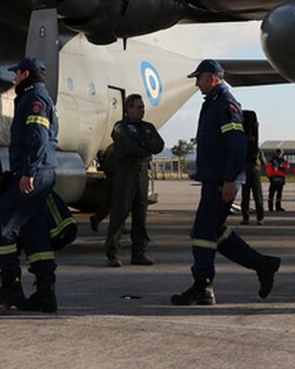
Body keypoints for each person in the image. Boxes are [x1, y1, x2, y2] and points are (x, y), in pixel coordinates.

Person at [171, 60, 281, 306]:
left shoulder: (225, 104)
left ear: (211, 77)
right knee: (214, 232)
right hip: (216, 178)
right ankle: (263, 265)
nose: (196, 83)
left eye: (198, 78)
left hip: (222, 179)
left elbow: (237, 144)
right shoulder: (214, 103)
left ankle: (203, 286)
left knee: (202, 232)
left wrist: (230, 179)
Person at [0, 57, 60, 314]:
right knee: (34, 232)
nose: (14, 78)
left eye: (17, 74)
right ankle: (45, 294)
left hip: (33, 174)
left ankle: (10, 287)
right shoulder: (36, 97)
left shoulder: (33, 99)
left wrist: (28, 171)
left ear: (26, 74)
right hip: (41, 172)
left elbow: (37, 137)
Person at [104, 93, 166, 267]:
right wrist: (145, 147)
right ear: (129, 109)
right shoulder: (120, 127)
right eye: (138, 108)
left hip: (141, 174)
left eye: (143, 108)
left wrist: (142, 145)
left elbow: (159, 145)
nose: (142, 111)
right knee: (120, 213)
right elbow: (127, 146)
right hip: (125, 173)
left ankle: (138, 253)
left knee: (141, 214)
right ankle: (112, 253)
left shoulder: (148, 127)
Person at [240, 111, 266, 225]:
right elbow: (264, 162)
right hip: (255, 170)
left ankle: (246, 218)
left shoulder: (242, 145)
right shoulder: (257, 149)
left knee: (245, 196)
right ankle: (260, 218)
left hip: (245, 169)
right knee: (257, 196)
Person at [89, 143, 115, 232]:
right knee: (115, 203)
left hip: (112, 177)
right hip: (115, 178)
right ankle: (97, 218)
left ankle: (117, 226)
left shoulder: (112, 147)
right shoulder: (117, 147)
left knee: (113, 203)